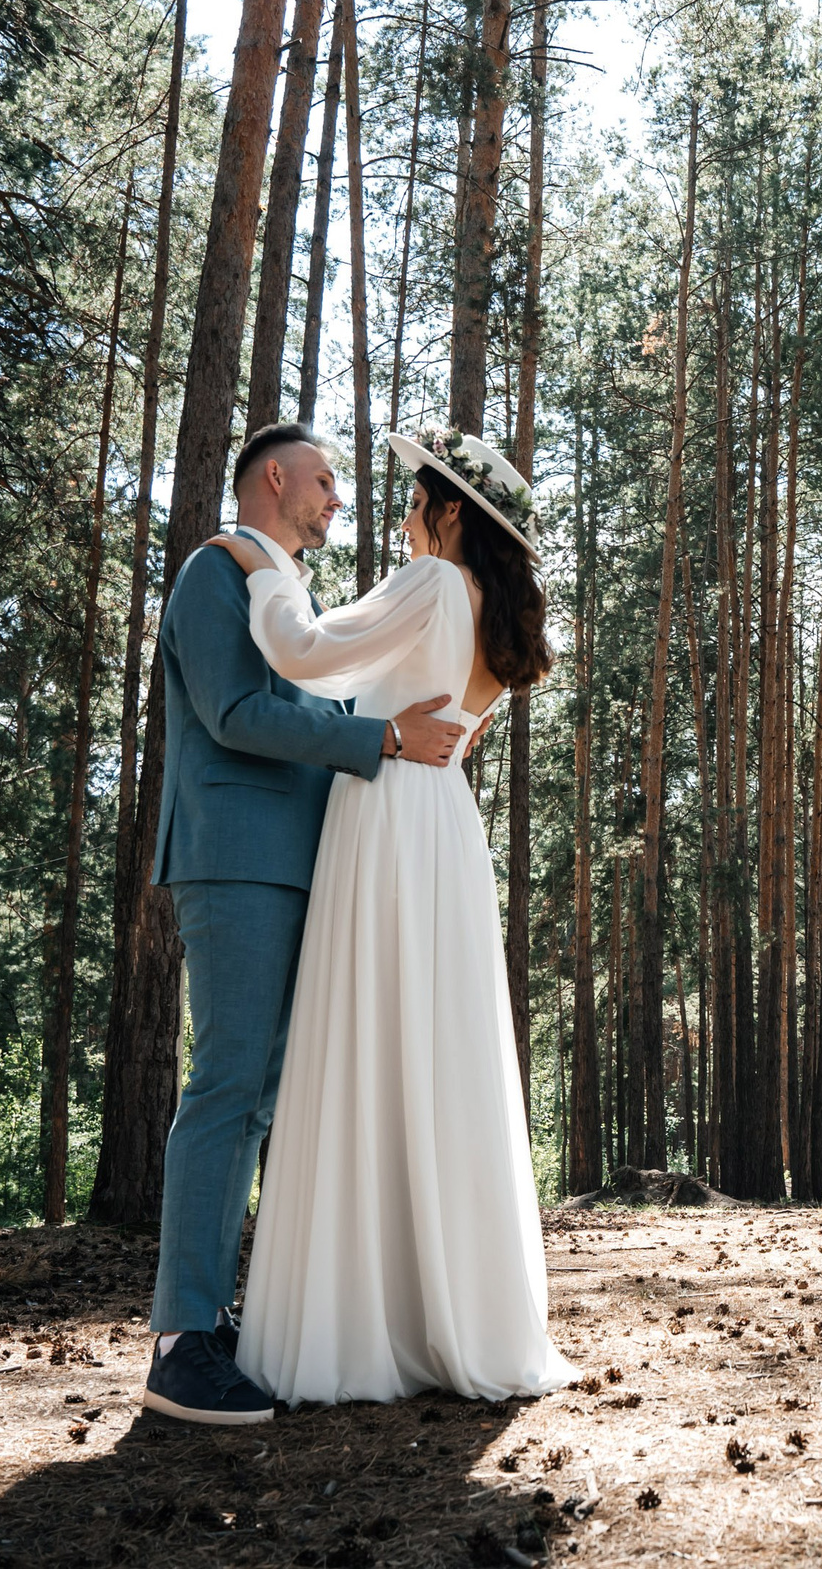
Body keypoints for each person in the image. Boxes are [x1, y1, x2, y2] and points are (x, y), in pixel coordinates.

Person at [200, 427, 577, 1407]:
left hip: (387, 819)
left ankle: (360, 1317)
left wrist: (261, 565)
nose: (405, 522)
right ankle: (445, 1307)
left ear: (450, 513)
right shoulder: (492, 614)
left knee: (367, 1041)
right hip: (445, 829)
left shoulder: (437, 582)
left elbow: (303, 653)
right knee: (434, 1054)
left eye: (415, 505)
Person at [140, 422, 466, 1427]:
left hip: (296, 862)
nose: (337, 498)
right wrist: (382, 739)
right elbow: (236, 713)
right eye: (324, 480)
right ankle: (181, 1341)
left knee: (262, 1096)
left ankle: (214, 1314)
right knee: (227, 1084)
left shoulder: (291, 595)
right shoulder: (214, 572)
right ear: (273, 478)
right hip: (235, 856)